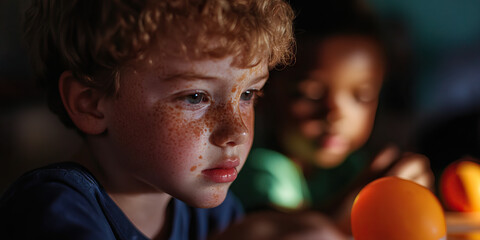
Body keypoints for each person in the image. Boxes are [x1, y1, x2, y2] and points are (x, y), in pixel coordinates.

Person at [0, 0, 295, 239]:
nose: (238, 131)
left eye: (248, 94)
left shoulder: (214, 214)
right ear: (91, 105)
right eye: (195, 97)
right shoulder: (51, 211)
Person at [231, 0, 433, 235]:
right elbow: (284, 233)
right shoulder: (258, 172)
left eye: (361, 96)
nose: (335, 115)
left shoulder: (349, 168)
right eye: (309, 95)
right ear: (263, 94)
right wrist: (364, 199)